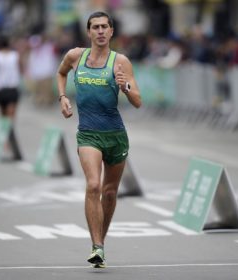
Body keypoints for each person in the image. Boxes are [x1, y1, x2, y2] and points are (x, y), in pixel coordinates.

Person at [56, 11, 141, 268]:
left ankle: (99, 242)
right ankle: (97, 246)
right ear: (89, 32)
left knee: (110, 193)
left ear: (112, 32)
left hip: (116, 135)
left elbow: (138, 101)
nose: (101, 31)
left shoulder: (121, 62)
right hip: (88, 133)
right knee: (93, 185)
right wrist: (62, 97)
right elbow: (61, 74)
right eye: (96, 27)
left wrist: (125, 87)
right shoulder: (74, 56)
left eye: (105, 27)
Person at [0, 35, 23, 120]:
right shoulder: (15, 55)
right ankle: (9, 131)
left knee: (2, 113)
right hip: (12, 87)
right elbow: (21, 66)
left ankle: (3, 131)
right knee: (11, 114)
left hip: (1, 88)